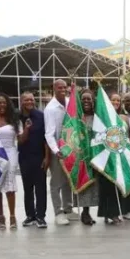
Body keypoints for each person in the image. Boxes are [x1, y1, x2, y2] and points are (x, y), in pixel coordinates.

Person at [96, 92, 130, 225]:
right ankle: (109, 213)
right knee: (107, 186)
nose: (116, 103)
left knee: (119, 184)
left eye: (118, 100)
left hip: (121, 155)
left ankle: (118, 211)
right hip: (107, 156)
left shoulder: (124, 118)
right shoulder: (103, 118)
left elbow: (128, 138)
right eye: (113, 100)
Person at [44, 79, 77, 226]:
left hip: (71, 149)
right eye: (60, 87)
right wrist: (56, 151)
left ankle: (68, 209)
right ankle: (58, 212)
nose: (63, 89)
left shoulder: (70, 103)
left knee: (68, 181)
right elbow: (49, 134)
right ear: (54, 89)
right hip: (57, 152)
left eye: (65, 87)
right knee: (56, 183)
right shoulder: (50, 109)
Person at [17, 92, 49, 228]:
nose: (29, 102)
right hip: (24, 157)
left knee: (40, 188)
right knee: (27, 188)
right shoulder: (17, 117)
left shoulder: (41, 116)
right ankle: (30, 215)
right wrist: (26, 129)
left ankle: (41, 216)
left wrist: (47, 157)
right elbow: (19, 139)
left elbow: (46, 138)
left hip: (39, 157)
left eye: (31, 99)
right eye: (26, 100)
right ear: (21, 101)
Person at [0, 93, 19, 230]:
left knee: (10, 186)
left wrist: (28, 130)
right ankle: (1, 216)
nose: (2, 105)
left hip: (10, 153)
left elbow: (21, 138)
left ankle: (12, 215)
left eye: (4, 102)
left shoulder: (14, 119)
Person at [76, 89, 100, 225]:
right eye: (83, 99)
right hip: (82, 158)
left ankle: (90, 212)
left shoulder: (98, 117)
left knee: (94, 187)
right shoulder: (77, 118)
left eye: (89, 99)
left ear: (93, 101)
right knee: (85, 185)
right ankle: (85, 213)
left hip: (96, 157)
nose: (86, 101)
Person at [116, 92, 130, 220]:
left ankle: (128, 209)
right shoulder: (120, 117)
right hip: (124, 154)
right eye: (127, 101)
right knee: (126, 182)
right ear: (123, 102)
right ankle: (124, 210)